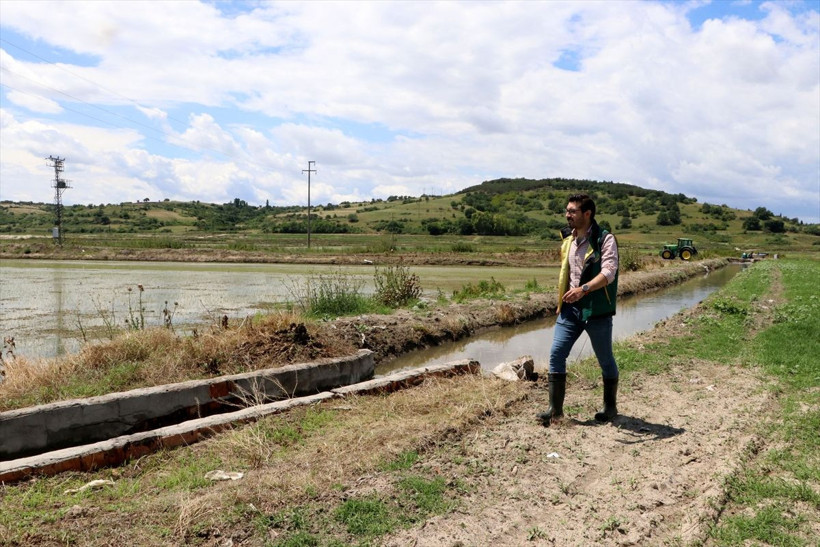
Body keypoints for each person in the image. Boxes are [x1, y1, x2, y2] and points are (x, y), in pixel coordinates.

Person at [538, 193, 620, 426]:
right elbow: (567, 272)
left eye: (572, 211)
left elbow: (608, 273)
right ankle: (555, 411)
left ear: (587, 214)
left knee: (605, 359)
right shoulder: (568, 239)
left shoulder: (605, 240)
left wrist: (583, 289)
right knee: (556, 355)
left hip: (597, 309)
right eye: (567, 210)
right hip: (570, 310)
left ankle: (610, 408)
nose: (567, 215)